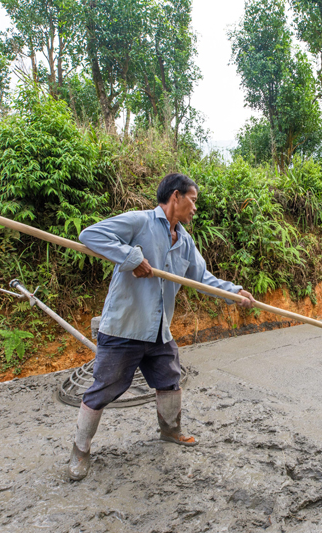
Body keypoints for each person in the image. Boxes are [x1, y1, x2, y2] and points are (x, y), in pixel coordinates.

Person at [67, 173, 255, 481]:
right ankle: (80, 449)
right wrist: (131, 257)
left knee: (169, 379)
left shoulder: (185, 241)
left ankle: (170, 431)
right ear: (176, 196)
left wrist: (234, 292)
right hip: (125, 326)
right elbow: (91, 235)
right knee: (104, 388)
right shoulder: (139, 222)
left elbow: (201, 278)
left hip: (158, 330)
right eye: (193, 200)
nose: (195, 208)